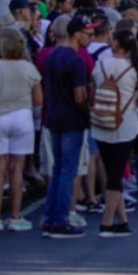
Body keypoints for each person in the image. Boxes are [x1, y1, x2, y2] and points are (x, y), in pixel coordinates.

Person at [0, 29, 40, 231]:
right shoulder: (29, 68)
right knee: (17, 168)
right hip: (22, 117)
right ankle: (15, 215)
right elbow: (39, 99)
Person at [38, 16, 92, 239]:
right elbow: (80, 96)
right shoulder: (76, 61)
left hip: (54, 117)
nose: (89, 38)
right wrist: (87, 114)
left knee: (58, 169)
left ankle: (51, 217)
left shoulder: (52, 56)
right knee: (68, 171)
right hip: (71, 120)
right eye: (87, 34)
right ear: (77, 35)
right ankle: (60, 219)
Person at [90, 27, 138, 237]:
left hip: (101, 123)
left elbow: (92, 90)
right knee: (116, 174)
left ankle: (122, 220)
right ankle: (107, 222)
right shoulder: (134, 70)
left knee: (110, 170)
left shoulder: (100, 65)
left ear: (115, 44)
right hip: (125, 125)